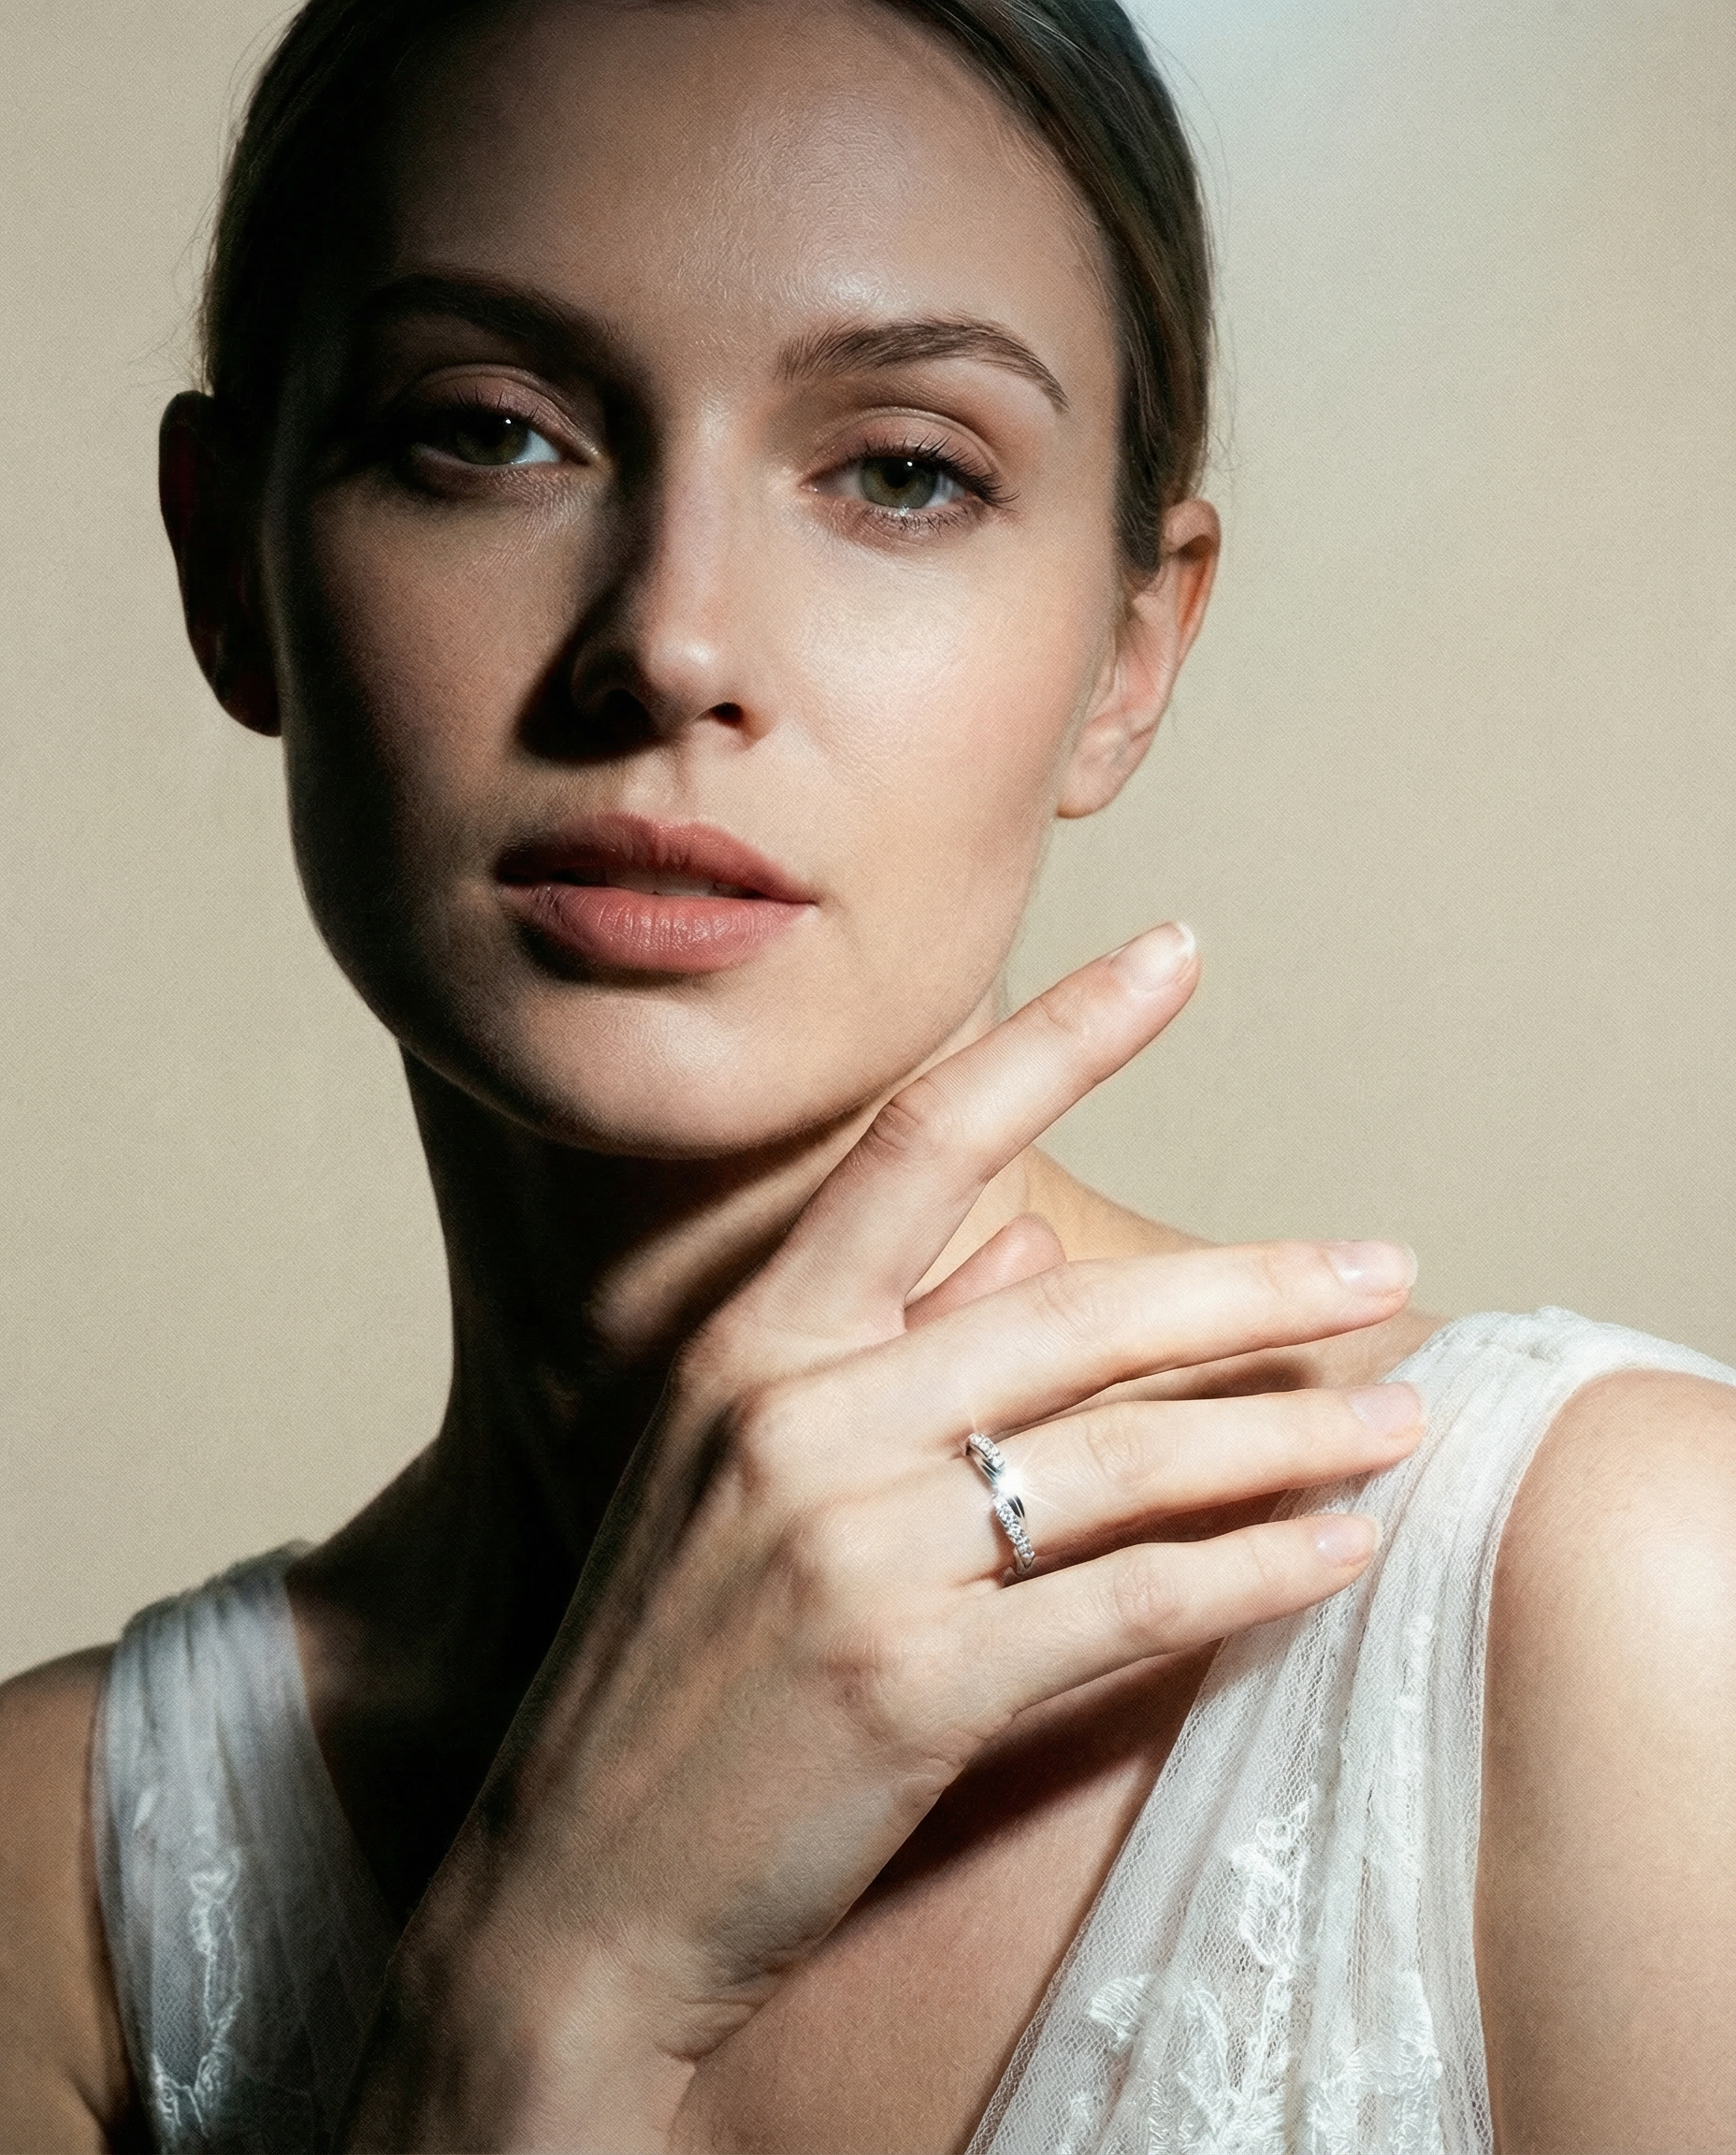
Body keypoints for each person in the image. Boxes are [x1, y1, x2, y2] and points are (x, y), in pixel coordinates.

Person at [1, 0, 1732, 2148]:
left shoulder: (1617, 1615)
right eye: (491, 432)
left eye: (903, 471)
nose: (674, 644)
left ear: (1131, 655)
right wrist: (548, 1979)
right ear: (226, 561)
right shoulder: (58, 1886)